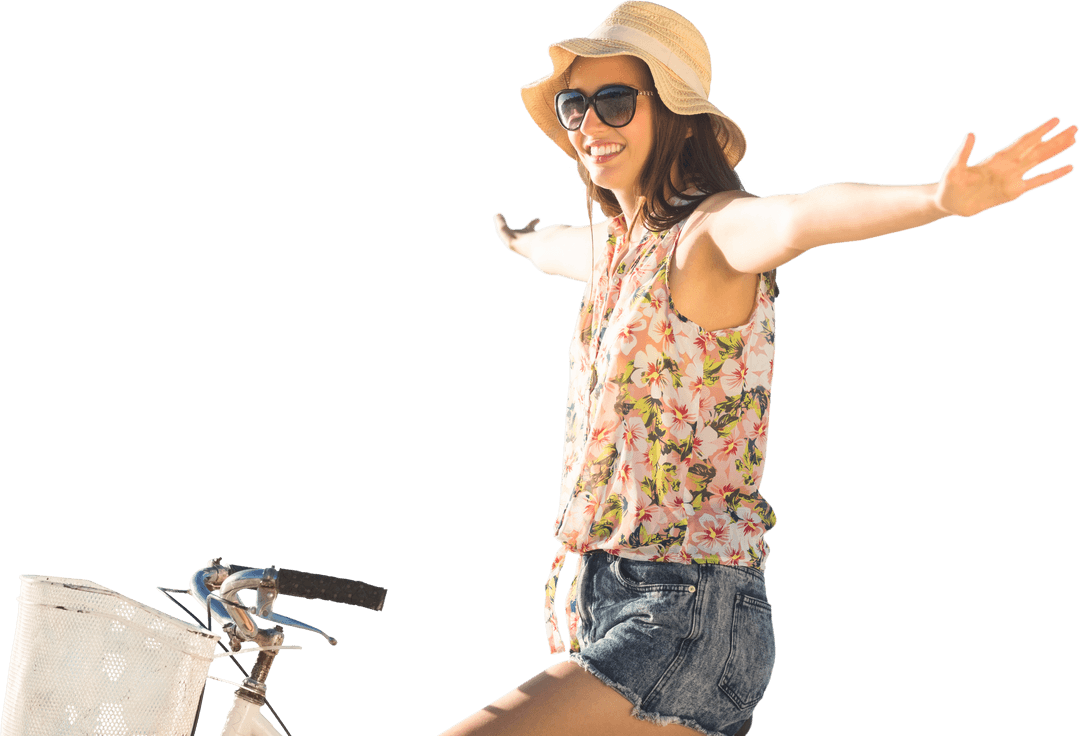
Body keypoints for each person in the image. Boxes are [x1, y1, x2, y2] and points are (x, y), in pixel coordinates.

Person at [445, 2, 1075, 735]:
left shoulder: (710, 233)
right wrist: (520, 242)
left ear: (675, 115)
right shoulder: (616, 253)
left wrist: (934, 200)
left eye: (616, 101)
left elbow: (801, 216)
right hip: (617, 604)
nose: (591, 124)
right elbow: (561, 245)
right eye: (574, 105)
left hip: (684, 611)